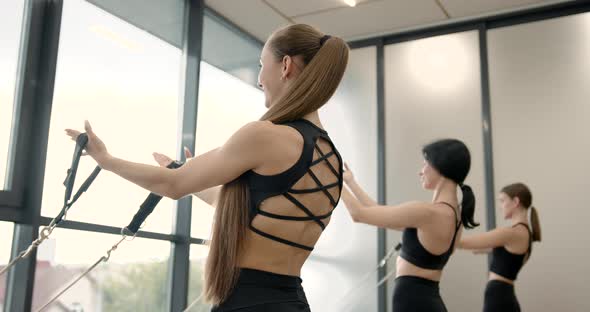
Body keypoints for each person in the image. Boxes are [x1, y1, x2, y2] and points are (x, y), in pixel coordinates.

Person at [66, 24, 349, 311]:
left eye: (262, 65)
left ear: (285, 65)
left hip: (246, 303)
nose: (260, 78)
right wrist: (185, 171)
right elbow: (253, 207)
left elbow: (171, 184)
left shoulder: (266, 135)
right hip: (293, 302)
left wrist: (107, 160)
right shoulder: (333, 160)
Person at [341, 139, 478, 311]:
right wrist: (350, 182)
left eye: (425, 164)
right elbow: (377, 211)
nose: (420, 172)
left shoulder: (427, 213)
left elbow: (358, 215)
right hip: (425, 301)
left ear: (440, 167)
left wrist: (333, 179)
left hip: (414, 303)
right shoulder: (454, 217)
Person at [459, 182, 541, 312]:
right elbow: (477, 249)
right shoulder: (523, 234)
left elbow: (465, 243)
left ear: (515, 202)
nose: (500, 206)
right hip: (503, 295)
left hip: (499, 297)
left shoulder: (513, 233)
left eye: (502, 201)